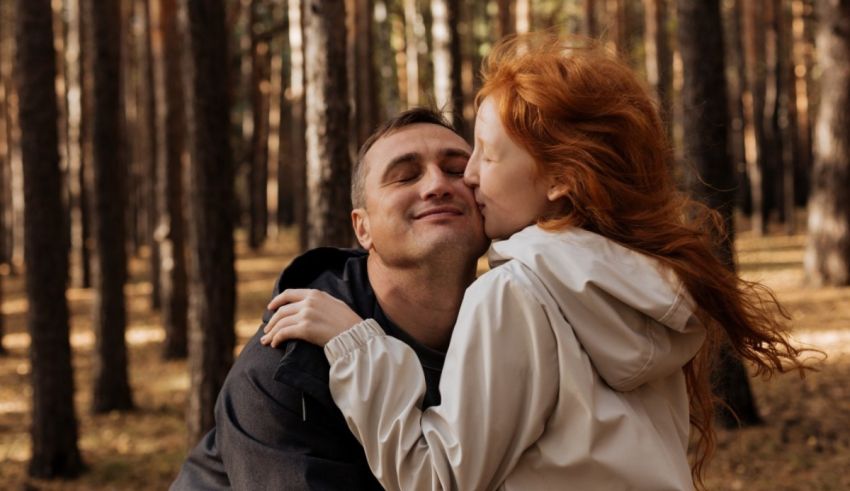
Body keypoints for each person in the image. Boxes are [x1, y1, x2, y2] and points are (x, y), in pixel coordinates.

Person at [262, 33, 806, 490]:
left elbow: (436, 477)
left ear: (560, 178)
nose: (468, 175)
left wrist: (358, 349)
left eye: (486, 154)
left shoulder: (514, 294)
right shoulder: (642, 284)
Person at [170, 108, 489, 489]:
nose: (438, 184)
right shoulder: (287, 364)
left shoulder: (513, 333)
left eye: (457, 170)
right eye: (405, 175)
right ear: (363, 227)